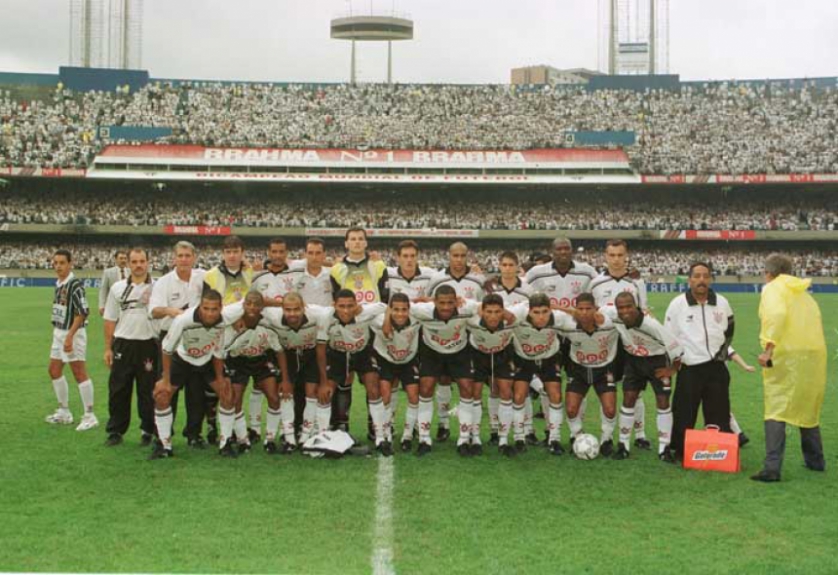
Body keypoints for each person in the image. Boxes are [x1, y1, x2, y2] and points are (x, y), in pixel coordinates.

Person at [751, 253, 827, 482]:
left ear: (768, 273)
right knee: (807, 406)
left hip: (787, 354)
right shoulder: (802, 293)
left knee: (777, 405)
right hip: (813, 354)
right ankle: (816, 460)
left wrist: (768, 349)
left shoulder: (773, 288)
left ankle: (772, 467)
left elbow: (777, 314)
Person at [526, 237, 597, 444]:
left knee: (579, 383)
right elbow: (523, 293)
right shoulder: (537, 273)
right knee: (550, 386)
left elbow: (599, 291)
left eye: (567, 249)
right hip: (549, 336)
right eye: (559, 249)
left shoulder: (587, 271)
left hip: (576, 335)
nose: (563, 252)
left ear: (572, 251)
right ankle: (551, 430)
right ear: (552, 251)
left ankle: (577, 432)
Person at [664, 262, 735, 460]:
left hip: (716, 367)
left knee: (719, 410)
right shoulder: (678, 304)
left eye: (705, 276)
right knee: (684, 412)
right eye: (697, 276)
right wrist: (677, 362)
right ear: (690, 280)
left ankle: (720, 451)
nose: (701, 280)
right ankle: (678, 449)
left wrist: (720, 356)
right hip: (690, 367)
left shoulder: (722, 302)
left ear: (711, 279)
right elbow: (669, 336)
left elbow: (729, 330)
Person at [603, 292, 682, 462]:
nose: (625, 311)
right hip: (633, 361)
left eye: (628, 306)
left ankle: (664, 447)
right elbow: (592, 312)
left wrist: (672, 369)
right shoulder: (612, 315)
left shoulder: (651, 325)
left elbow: (677, 349)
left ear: (636, 306)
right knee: (628, 398)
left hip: (657, 361)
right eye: (621, 308)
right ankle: (623, 445)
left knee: (662, 402)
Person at [152, 289, 231, 459]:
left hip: (207, 359)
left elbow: (218, 351)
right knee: (162, 395)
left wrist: (220, 378)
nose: (210, 313)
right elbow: (166, 349)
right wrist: (165, 380)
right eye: (206, 308)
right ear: (200, 306)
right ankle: (164, 445)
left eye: (214, 309)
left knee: (227, 394)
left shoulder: (223, 321)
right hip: (182, 359)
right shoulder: (183, 320)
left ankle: (226, 444)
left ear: (221, 308)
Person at [590, 239, 651, 450]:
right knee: (607, 390)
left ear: (626, 256)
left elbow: (643, 313)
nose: (616, 260)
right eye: (612, 255)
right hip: (606, 345)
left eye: (620, 255)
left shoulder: (637, 284)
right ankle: (606, 437)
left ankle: (640, 434)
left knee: (636, 391)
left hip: (631, 344)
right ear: (605, 257)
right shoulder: (595, 283)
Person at [329, 227, 389, 434]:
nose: (356, 242)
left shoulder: (378, 265)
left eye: (360, 239)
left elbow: (384, 297)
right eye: (352, 239)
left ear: (365, 243)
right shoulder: (336, 268)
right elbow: (335, 300)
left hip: (371, 327)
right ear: (346, 243)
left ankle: (374, 426)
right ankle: (342, 424)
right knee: (345, 377)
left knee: (372, 378)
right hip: (347, 327)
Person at [148, 241, 207, 447]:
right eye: (180, 256)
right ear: (174, 258)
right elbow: (153, 311)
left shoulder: (203, 277)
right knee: (167, 387)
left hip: (196, 338)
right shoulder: (164, 282)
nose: (183, 259)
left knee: (196, 390)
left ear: (194, 258)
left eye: (187, 256)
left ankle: (193, 434)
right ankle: (163, 435)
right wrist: (171, 311)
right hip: (170, 338)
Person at [426, 242, 485, 442]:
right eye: (455, 256)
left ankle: (468, 430)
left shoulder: (477, 280)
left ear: (467, 256)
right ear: (448, 256)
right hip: (443, 338)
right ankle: (442, 424)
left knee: (467, 385)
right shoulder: (436, 279)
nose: (459, 260)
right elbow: (428, 303)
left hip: (468, 341)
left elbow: (483, 308)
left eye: (462, 256)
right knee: (442, 380)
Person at [410, 285, 479, 457]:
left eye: (450, 303)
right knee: (425, 389)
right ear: (434, 302)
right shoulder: (423, 311)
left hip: (459, 352)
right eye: (442, 303)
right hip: (431, 352)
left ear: (457, 301)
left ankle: (464, 439)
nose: (446, 307)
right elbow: (398, 305)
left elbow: (486, 307)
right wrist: (422, 299)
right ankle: (424, 439)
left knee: (467, 388)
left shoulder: (466, 307)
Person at [318, 289, 389, 453]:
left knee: (373, 389)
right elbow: (320, 349)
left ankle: (380, 437)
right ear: (334, 305)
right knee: (326, 391)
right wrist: (322, 382)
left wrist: (383, 321)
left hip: (362, 353)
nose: (346, 310)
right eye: (341, 306)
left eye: (350, 306)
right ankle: (322, 437)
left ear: (356, 305)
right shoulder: (325, 317)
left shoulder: (366, 312)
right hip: (337, 354)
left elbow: (386, 306)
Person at [221, 291, 290, 454]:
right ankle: (243, 439)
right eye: (249, 303)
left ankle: (270, 439)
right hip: (238, 361)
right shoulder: (232, 324)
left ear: (262, 307)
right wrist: (222, 376)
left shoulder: (268, 324)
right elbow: (222, 352)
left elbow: (279, 351)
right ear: (243, 305)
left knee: (274, 397)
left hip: (261, 360)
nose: (252, 307)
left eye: (256, 304)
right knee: (235, 399)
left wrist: (285, 379)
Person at [102, 247, 157, 447]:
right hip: (123, 344)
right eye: (134, 262)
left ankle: (147, 430)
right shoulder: (117, 288)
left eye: (142, 261)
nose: (138, 265)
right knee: (119, 389)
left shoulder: (157, 287)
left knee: (148, 390)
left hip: (149, 344)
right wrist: (108, 348)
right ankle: (115, 430)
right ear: (128, 264)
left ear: (148, 262)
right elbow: (109, 319)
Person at [560, 293, 620, 456]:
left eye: (588, 309)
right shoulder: (567, 324)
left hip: (604, 368)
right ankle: (576, 436)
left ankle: (606, 439)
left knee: (609, 408)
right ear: (575, 309)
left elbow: (630, 312)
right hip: (578, 368)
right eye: (580, 309)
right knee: (571, 409)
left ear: (596, 308)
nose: (584, 312)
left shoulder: (609, 321)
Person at [267, 292, 330, 444]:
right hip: (286, 354)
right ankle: (288, 437)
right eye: (288, 310)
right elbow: (253, 302)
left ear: (304, 308)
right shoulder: (272, 317)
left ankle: (306, 436)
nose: (292, 313)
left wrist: (324, 381)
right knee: (286, 392)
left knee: (311, 392)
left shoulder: (319, 314)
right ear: (282, 309)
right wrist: (285, 378)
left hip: (311, 354)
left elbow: (337, 309)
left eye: (296, 309)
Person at [46, 249, 98, 431]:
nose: (58, 266)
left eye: (62, 263)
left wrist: (69, 336)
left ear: (70, 264)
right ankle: (64, 412)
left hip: (73, 334)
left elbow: (83, 312)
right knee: (54, 370)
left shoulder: (75, 284)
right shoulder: (59, 283)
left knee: (79, 372)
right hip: (59, 332)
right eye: (56, 263)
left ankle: (90, 415)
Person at [486, 251, 533, 446]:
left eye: (510, 265)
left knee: (522, 388)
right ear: (499, 266)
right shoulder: (491, 291)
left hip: (521, 343)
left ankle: (527, 430)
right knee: (496, 387)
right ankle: (495, 429)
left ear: (517, 266)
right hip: (498, 344)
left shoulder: (528, 290)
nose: (507, 268)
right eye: (503, 265)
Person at [372, 292, 422, 452]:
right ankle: (386, 434)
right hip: (386, 360)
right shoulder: (378, 320)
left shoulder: (417, 317)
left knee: (414, 396)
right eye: (396, 309)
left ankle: (407, 435)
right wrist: (387, 314)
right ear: (389, 309)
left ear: (409, 309)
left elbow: (436, 304)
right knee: (385, 396)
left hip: (408, 360)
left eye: (404, 309)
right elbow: (387, 331)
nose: (400, 313)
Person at [468, 294, 517, 456]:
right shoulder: (472, 319)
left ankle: (503, 440)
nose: (493, 316)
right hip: (477, 355)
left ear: (503, 311)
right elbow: (456, 303)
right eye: (488, 312)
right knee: (475, 394)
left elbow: (531, 307)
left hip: (502, 355)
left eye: (497, 312)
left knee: (506, 392)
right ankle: (475, 439)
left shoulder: (514, 317)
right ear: (482, 311)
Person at [98, 250, 128, 315]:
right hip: (113, 306)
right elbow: (103, 290)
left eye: (125, 258)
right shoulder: (108, 272)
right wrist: (102, 306)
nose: (123, 260)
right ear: (115, 259)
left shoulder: (131, 272)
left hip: (128, 308)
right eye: (121, 258)